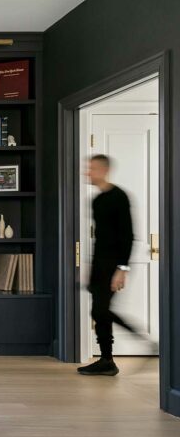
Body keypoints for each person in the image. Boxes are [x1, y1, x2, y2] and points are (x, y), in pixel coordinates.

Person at [78, 154, 134, 376]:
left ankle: (136, 339)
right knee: (99, 311)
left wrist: (122, 269)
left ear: (103, 170)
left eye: (91, 169)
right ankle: (106, 360)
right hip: (99, 264)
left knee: (101, 310)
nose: (87, 172)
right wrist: (90, 268)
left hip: (113, 265)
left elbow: (127, 235)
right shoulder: (97, 200)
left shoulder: (119, 197)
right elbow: (100, 238)